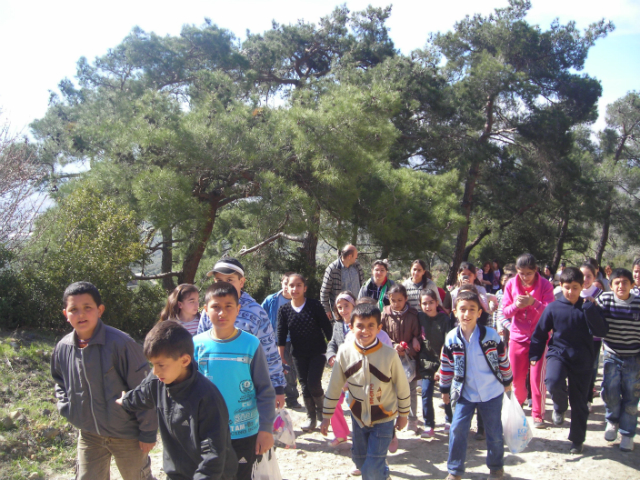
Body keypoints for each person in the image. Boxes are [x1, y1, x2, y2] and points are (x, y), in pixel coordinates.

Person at [50, 282, 157, 480]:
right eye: (74, 309)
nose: (81, 314)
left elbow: (145, 388)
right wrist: (67, 407)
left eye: (87, 308)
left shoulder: (120, 343)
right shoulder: (63, 348)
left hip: (127, 435)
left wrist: (148, 431)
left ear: (100, 310)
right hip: (89, 434)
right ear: (66, 314)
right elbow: (59, 381)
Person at [117, 321, 237, 479]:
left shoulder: (207, 397)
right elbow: (142, 395)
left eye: (160, 365)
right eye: (152, 364)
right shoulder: (157, 380)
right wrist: (125, 400)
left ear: (185, 361)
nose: (155, 371)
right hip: (177, 473)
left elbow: (214, 452)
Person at [193, 282, 275, 480]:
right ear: (205, 310)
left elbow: (265, 390)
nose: (222, 313)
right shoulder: (196, 345)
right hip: (207, 431)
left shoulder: (251, 344)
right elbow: (189, 389)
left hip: (244, 432)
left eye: (228, 306)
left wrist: (265, 429)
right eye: (215, 307)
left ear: (238, 309)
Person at [320, 303, 410, 480]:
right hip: (358, 417)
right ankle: (383, 475)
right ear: (351, 327)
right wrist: (326, 415)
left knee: (372, 469)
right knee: (360, 461)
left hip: (384, 417)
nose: (365, 330)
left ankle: (378, 474)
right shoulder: (345, 353)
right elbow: (334, 386)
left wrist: (404, 414)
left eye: (371, 326)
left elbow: (402, 385)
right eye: (360, 326)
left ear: (379, 328)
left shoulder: (389, 354)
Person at [529, 267, 608, 454]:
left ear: (582, 286)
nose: (571, 292)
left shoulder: (588, 306)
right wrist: (534, 355)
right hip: (558, 353)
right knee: (553, 381)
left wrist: (590, 309)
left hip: (583, 358)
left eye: (575, 287)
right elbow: (540, 334)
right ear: (560, 286)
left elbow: (602, 331)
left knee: (579, 401)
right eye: (566, 287)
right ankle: (560, 406)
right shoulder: (553, 307)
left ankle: (577, 440)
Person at [440, 290, 512, 480]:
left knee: (494, 431)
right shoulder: (451, 338)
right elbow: (446, 366)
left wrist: (508, 381)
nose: (467, 314)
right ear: (455, 312)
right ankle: (454, 471)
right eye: (462, 309)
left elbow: (503, 360)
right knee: (457, 429)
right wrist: (445, 389)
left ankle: (496, 468)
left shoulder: (491, 335)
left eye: (472, 309)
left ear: (480, 312)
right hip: (465, 393)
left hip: (492, 391)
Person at [197, 257, 287, 409]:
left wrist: (277, 387)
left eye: (230, 279)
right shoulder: (209, 311)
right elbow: (199, 347)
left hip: (246, 387)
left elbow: (269, 351)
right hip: (212, 386)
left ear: (242, 282)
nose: (224, 285)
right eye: (219, 280)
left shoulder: (256, 312)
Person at [502, 253, 555, 428]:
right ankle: (518, 407)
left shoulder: (546, 285)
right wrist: (516, 306)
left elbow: (550, 312)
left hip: (539, 337)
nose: (524, 277)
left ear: (536, 270)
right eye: (521, 273)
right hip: (517, 336)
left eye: (528, 273)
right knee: (516, 378)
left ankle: (538, 414)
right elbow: (505, 312)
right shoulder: (511, 284)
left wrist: (534, 302)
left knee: (537, 378)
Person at [277, 273, 333, 431]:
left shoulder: (314, 305)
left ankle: (323, 416)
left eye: (298, 285)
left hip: (318, 352)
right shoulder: (284, 310)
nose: (294, 289)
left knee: (313, 383)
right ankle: (311, 418)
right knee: (304, 386)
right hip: (298, 354)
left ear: (304, 288)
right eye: (291, 285)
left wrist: (333, 352)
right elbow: (280, 335)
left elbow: (327, 330)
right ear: (286, 288)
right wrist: (281, 357)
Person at [596, 268, 640, 452]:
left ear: (632, 284)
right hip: (612, 354)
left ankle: (627, 433)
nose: (621, 286)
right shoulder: (604, 299)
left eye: (625, 282)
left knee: (631, 395)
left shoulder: (638, 303)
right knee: (610, 391)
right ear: (611, 285)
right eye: (617, 283)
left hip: (633, 356)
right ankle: (612, 421)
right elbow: (593, 316)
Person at [380, 284, 421, 433]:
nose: (396, 304)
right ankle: (391, 420)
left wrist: (409, 347)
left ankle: (412, 420)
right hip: (390, 358)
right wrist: (393, 345)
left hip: (409, 358)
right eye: (393, 300)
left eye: (399, 300)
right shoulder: (384, 314)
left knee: (411, 390)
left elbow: (418, 336)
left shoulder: (413, 314)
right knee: (390, 390)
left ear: (406, 299)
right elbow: (380, 335)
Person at [261, 272, 301, 409]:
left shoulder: (299, 300)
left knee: (289, 370)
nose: (286, 287)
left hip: (292, 340)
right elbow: (260, 315)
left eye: (289, 285)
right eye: (285, 284)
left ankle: (292, 398)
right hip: (272, 340)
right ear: (282, 283)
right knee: (272, 369)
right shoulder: (271, 300)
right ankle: (273, 396)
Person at [417, 289, 452, 438]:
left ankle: (449, 420)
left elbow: (447, 343)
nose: (428, 306)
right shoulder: (419, 318)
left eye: (431, 302)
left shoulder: (445, 320)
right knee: (426, 393)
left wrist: (442, 367)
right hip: (426, 362)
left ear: (437, 303)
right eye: (424, 303)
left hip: (443, 362)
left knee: (446, 394)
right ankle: (428, 424)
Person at [580, 263, 605, 411]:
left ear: (594, 277)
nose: (585, 279)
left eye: (589, 276)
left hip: (594, 338)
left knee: (591, 367)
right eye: (582, 275)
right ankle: (578, 396)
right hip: (577, 337)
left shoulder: (600, 294)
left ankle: (588, 397)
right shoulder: (573, 292)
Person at [320, 244, 365, 319]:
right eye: (355, 257)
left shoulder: (357, 266)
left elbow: (363, 286)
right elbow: (324, 291)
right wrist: (326, 309)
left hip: (357, 310)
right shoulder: (332, 269)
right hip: (341, 312)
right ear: (349, 256)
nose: (356, 259)